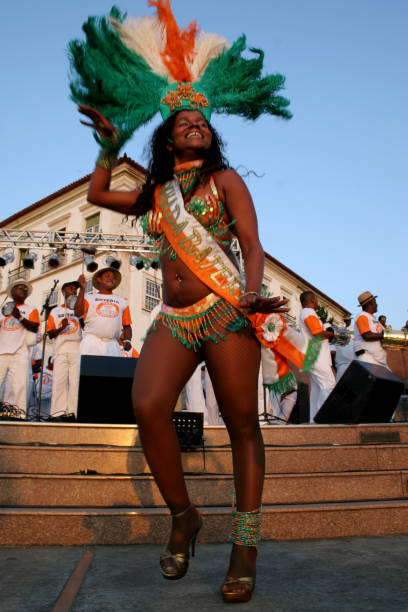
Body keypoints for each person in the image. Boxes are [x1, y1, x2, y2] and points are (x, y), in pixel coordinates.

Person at [69, 2, 317, 602]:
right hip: (174, 320)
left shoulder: (226, 181)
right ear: (168, 133)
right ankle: (184, 516)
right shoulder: (155, 193)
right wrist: (108, 143)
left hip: (226, 310)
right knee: (147, 402)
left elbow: (253, 245)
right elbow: (100, 192)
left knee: (240, 429)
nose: (195, 126)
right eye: (184, 122)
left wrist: (251, 295)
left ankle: (245, 547)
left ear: (212, 133)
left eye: (202, 122)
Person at [0, 279, 40, 417]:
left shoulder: (31, 309)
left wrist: (20, 318)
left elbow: (35, 327)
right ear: (12, 292)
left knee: (20, 386)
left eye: (25, 288)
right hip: (1, 352)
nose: (24, 289)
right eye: (20, 287)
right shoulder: (3, 310)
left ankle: (20, 415)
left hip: (20, 352)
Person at [75, 268, 132, 357]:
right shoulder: (88, 297)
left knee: (112, 371)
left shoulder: (122, 301)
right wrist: (82, 289)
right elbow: (78, 313)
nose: (110, 279)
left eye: (113, 278)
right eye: (107, 276)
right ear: (99, 279)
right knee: (88, 371)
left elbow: (127, 326)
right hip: (91, 343)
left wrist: (127, 340)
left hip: (113, 345)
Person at [46, 281, 82, 420]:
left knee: (75, 383)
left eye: (75, 289)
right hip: (60, 349)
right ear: (63, 291)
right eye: (70, 288)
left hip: (76, 349)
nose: (73, 291)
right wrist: (61, 327)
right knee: (59, 382)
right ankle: (57, 413)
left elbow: (85, 327)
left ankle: (73, 413)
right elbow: (50, 334)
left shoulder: (79, 310)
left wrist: (79, 314)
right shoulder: (55, 311)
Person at [299, 291, 335, 422]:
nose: (318, 302)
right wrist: (332, 334)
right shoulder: (308, 312)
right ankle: (324, 421)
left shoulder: (306, 313)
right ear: (313, 300)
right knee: (328, 386)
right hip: (316, 356)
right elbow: (316, 332)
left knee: (316, 391)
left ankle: (314, 423)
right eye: (317, 300)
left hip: (312, 356)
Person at [354, 291, 388, 368]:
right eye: (375, 302)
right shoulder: (362, 316)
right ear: (370, 303)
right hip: (367, 358)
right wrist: (385, 335)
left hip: (377, 360)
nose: (376, 304)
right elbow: (366, 335)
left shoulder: (372, 318)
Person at [334, 315, 354, 381]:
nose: (348, 322)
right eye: (346, 320)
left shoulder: (353, 328)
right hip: (344, 348)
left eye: (349, 320)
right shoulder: (343, 329)